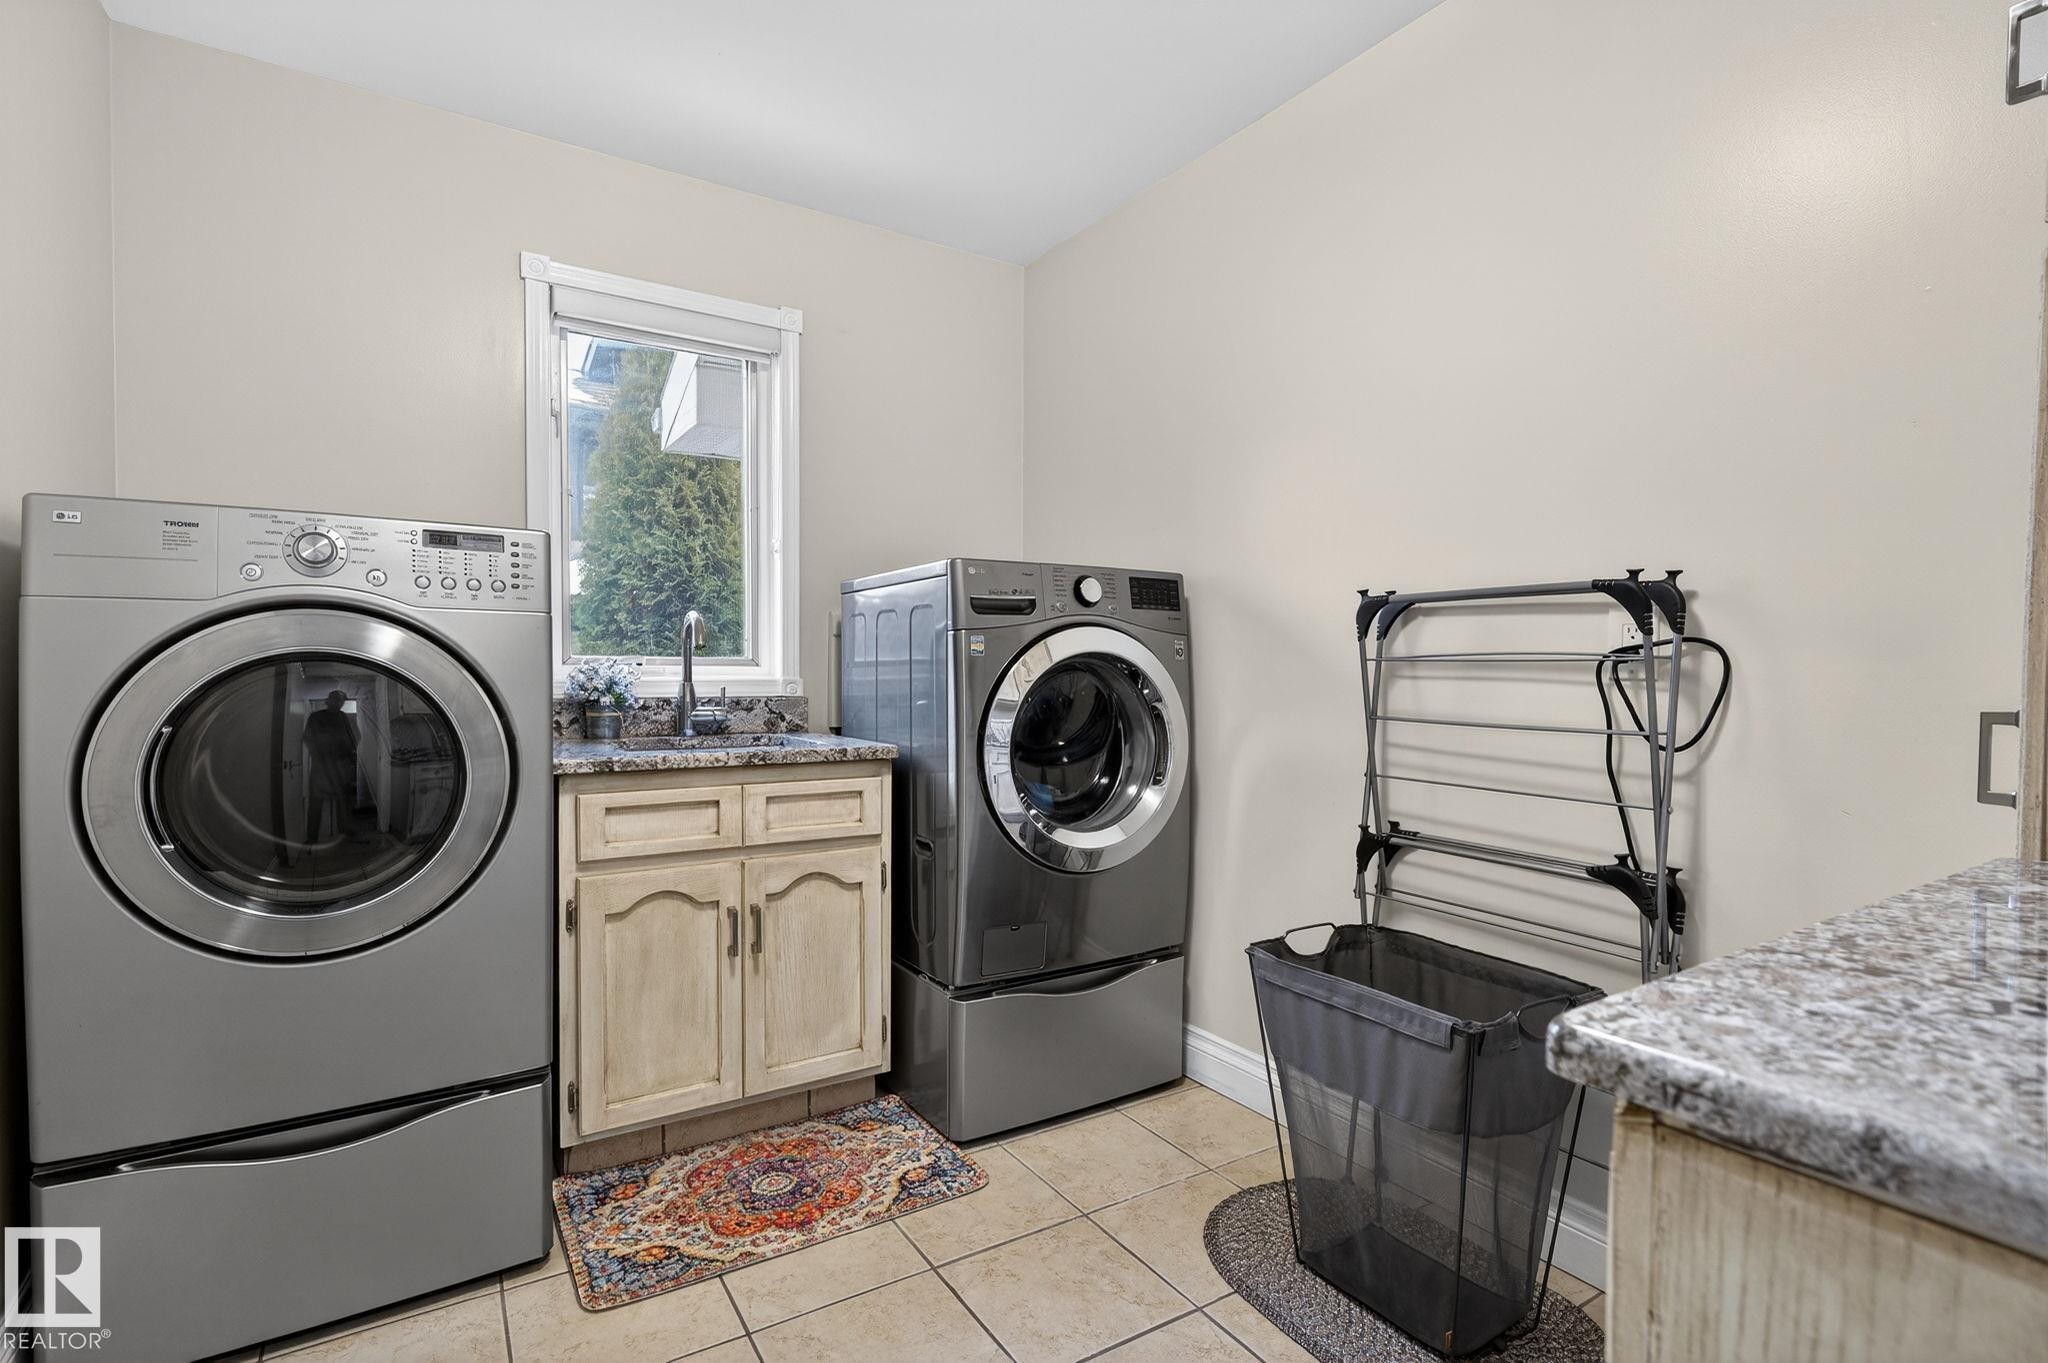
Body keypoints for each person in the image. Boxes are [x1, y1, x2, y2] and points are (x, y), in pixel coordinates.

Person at [302, 689, 360, 840]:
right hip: (320, 768)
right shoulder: (315, 717)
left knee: (343, 800)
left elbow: (353, 738)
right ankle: (311, 837)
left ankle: (345, 830)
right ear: (329, 700)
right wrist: (320, 755)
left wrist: (350, 755)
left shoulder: (343, 717)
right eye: (336, 700)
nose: (339, 703)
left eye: (341, 701)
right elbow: (307, 738)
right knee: (316, 802)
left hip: (340, 767)